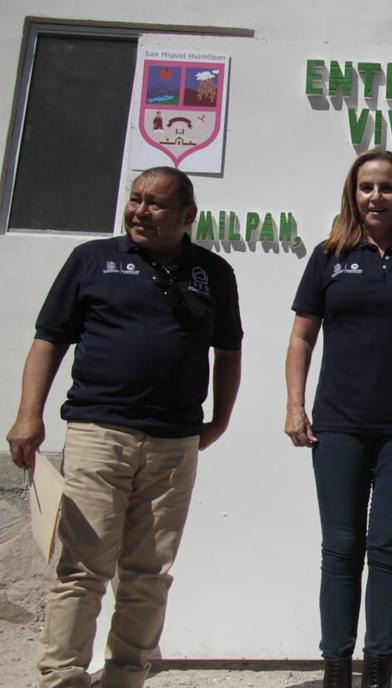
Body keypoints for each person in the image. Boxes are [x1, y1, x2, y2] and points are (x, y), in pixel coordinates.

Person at [5, 166, 243, 688]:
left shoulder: (214, 273)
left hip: (174, 442)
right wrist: (29, 414)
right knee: (82, 570)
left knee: (148, 576)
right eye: (135, 199)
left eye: (155, 204)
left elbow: (229, 351)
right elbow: (49, 339)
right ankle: (62, 677)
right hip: (98, 433)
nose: (140, 210)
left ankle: (125, 678)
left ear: (187, 217)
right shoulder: (92, 260)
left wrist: (220, 420)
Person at [284, 148, 392, 688]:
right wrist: (294, 404)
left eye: (386, 187)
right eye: (366, 187)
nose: (375, 196)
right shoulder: (328, 257)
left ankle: (378, 670)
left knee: (388, 548)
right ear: (352, 194)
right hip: (338, 422)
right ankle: (337, 668)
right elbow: (302, 337)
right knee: (339, 548)